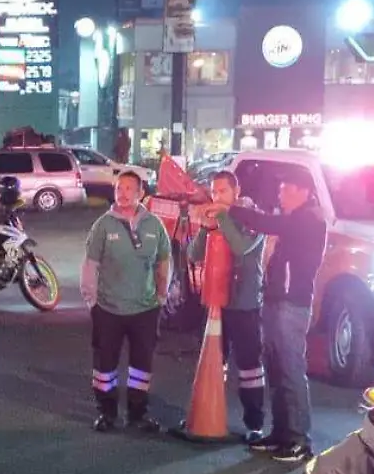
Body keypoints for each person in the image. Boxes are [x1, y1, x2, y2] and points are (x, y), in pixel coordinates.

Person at [204, 165, 328, 460]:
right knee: (276, 369)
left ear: (303, 192)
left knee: (291, 371)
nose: (280, 193)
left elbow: (264, 223)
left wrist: (228, 208)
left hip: (291, 304)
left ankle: (299, 439)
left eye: (286, 188)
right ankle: (281, 434)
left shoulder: (308, 220)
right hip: (275, 301)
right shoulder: (294, 218)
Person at [83, 171, 170, 433]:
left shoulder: (154, 225)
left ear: (141, 193)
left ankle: (137, 414)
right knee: (105, 365)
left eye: (129, 188)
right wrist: (92, 302)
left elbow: (164, 261)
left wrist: (161, 296)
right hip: (109, 309)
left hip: (145, 309)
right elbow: (90, 265)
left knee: (141, 366)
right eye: (119, 188)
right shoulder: (103, 225)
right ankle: (106, 413)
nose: (123, 193)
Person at [187, 171, 270, 444]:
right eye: (214, 191)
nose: (217, 196)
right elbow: (193, 255)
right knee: (213, 360)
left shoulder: (253, 217)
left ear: (236, 191)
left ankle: (255, 423)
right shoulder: (218, 218)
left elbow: (241, 247)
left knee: (249, 367)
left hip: (245, 303)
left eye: (223, 191)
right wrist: (205, 228)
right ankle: (207, 412)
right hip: (216, 302)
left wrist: (222, 217)